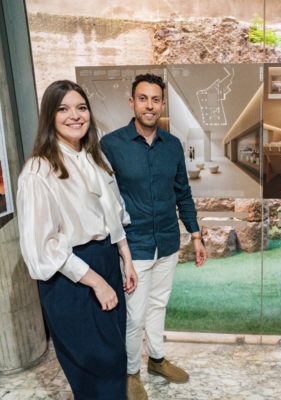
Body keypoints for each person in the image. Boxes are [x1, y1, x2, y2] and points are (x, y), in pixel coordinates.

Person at [17, 80, 137, 399]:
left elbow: (114, 212)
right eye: (63, 109)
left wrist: (125, 258)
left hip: (106, 259)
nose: (75, 116)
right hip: (71, 274)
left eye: (81, 108)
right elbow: (41, 249)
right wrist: (96, 282)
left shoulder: (95, 158)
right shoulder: (39, 170)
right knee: (98, 364)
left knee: (115, 358)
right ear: (49, 116)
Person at [100, 73, 207, 400]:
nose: (150, 105)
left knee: (159, 305)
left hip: (168, 242)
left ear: (162, 104)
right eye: (143, 98)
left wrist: (196, 235)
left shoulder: (172, 145)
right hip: (134, 248)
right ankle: (131, 372)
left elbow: (183, 193)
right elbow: (106, 201)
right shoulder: (111, 145)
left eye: (156, 99)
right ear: (132, 102)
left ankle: (157, 360)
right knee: (135, 316)